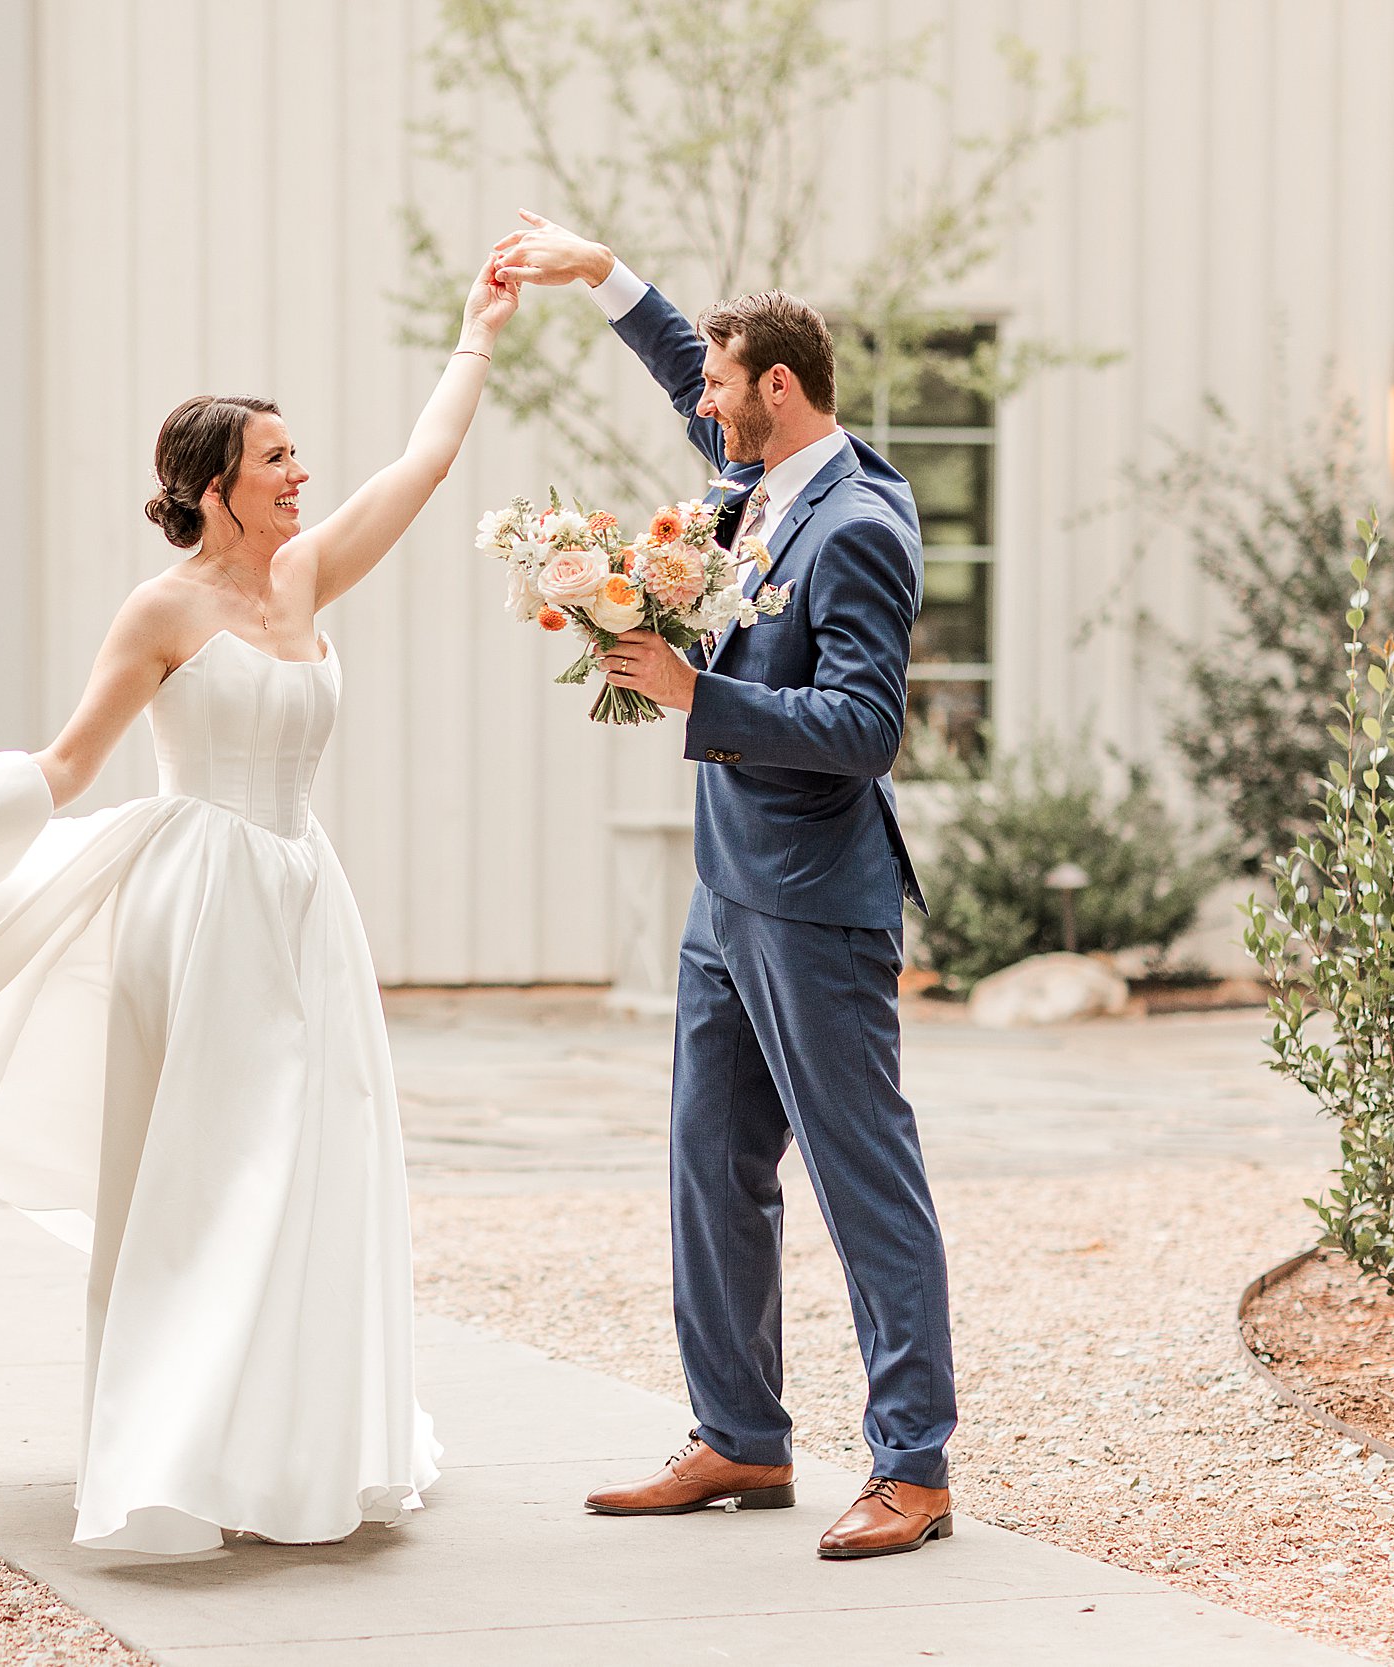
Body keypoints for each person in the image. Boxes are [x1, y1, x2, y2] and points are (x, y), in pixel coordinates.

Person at [0, 259, 521, 1555]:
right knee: (214, 1175)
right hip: (201, 906)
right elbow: (68, 765)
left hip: (304, 901)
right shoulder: (162, 611)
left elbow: (426, 466)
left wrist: (476, 338)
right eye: (278, 459)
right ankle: (173, 1453)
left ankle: (299, 1444)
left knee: (316, 1165)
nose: (302, 475)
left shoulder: (305, 577)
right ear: (214, 482)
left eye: (299, 457)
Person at [493, 211, 958, 1559]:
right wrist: (603, 279)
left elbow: (867, 727)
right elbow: (681, 373)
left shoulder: (858, 523)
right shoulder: (755, 485)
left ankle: (913, 1466)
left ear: (781, 389)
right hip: (724, 894)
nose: (703, 400)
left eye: (720, 381)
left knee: (864, 1178)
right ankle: (742, 1439)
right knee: (710, 1162)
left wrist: (701, 694)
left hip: (817, 897)